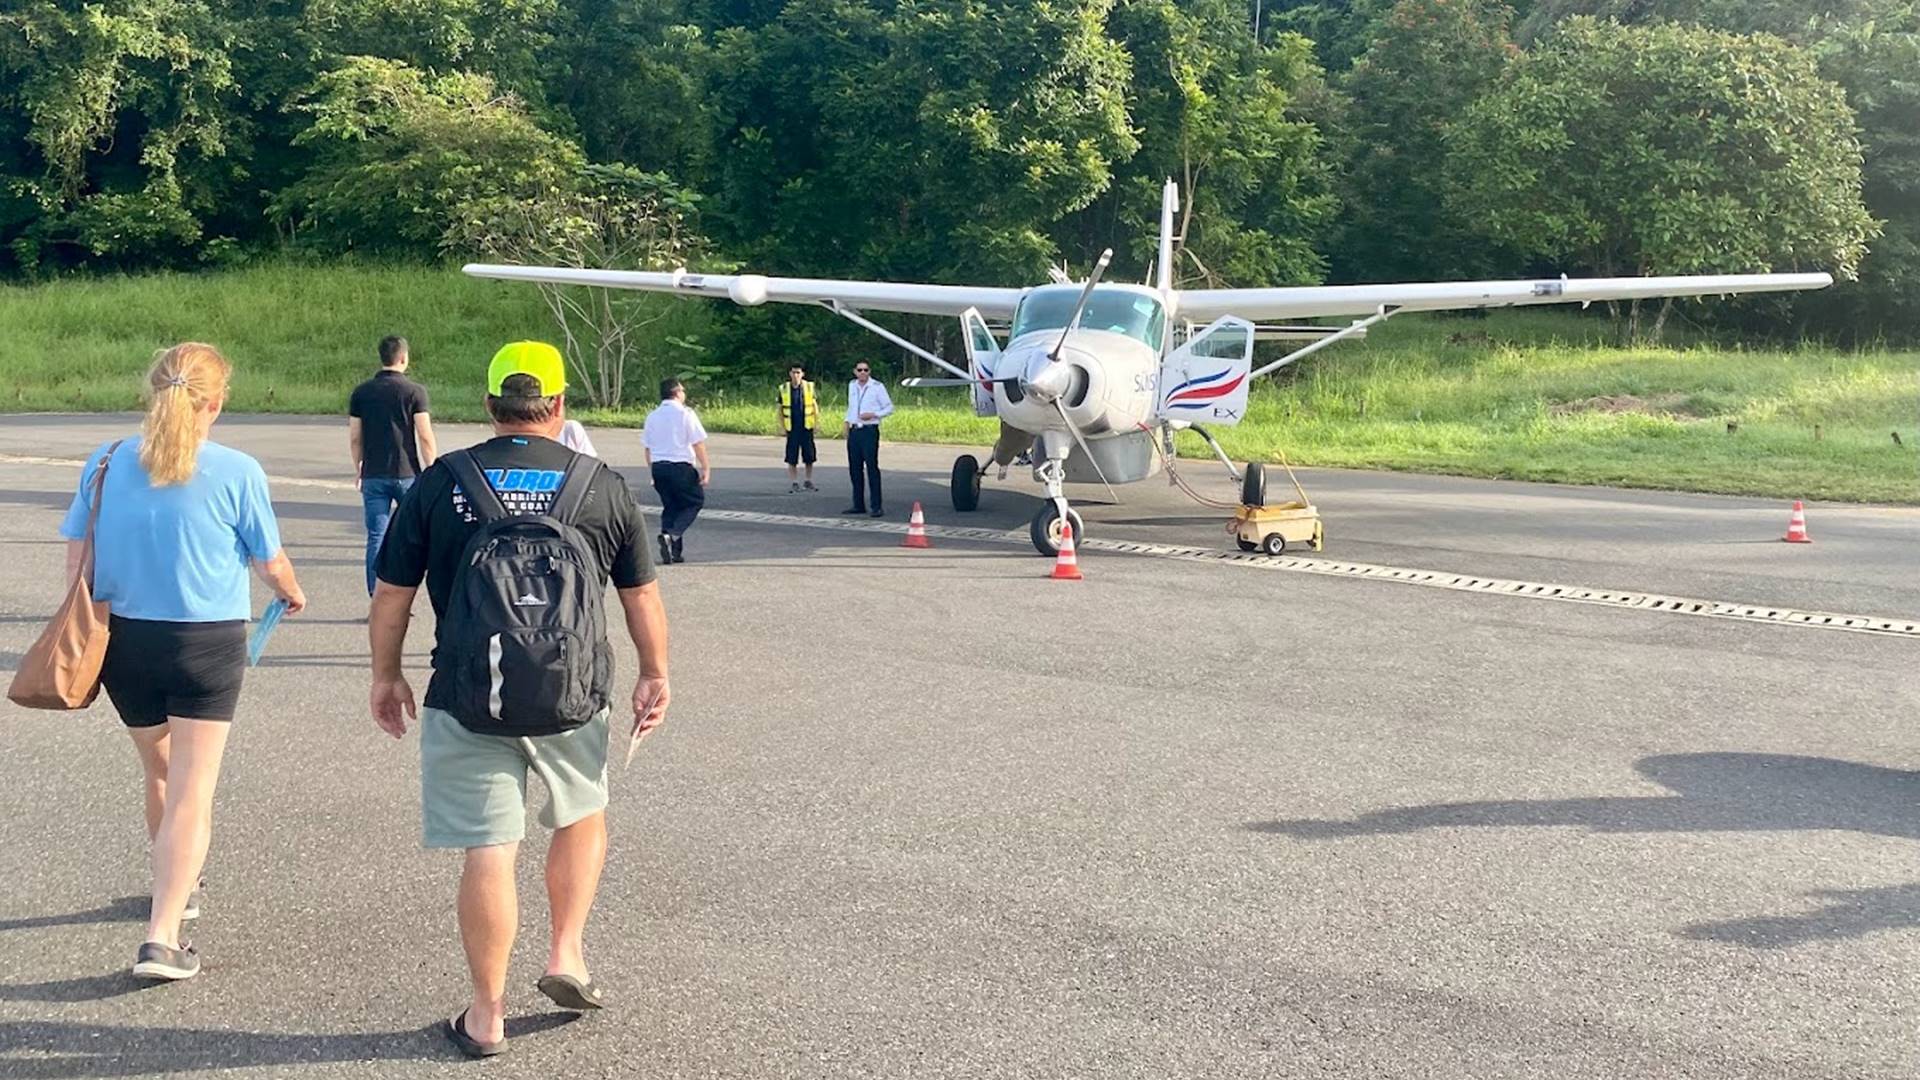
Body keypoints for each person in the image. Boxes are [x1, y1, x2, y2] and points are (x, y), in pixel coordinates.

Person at [368, 340, 670, 1058]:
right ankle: (566, 952)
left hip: (468, 691)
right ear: (560, 406)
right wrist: (654, 670)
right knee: (582, 815)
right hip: (574, 692)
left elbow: (392, 598)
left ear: (491, 407)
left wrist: (387, 675)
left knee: (489, 849)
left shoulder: (443, 483)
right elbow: (641, 595)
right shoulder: (600, 485)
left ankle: (486, 1013)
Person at [59, 343, 307, 982]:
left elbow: (78, 567)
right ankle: (162, 935)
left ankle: (180, 888)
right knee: (194, 788)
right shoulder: (238, 469)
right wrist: (289, 589)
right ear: (216, 402)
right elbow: (267, 558)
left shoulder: (107, 461)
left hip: (125, 643)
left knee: (160, 770)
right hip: (206, 643)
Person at [349, 335, 436, 594]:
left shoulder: (362, 392)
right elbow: (424, 435)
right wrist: (431, 468)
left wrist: (359, 469)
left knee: (376, 536)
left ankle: (377, 598)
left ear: (382, 358)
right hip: (408, 474)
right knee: (417, 537)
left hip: (374, 475)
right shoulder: (415, 392)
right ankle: (409, 595)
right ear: (404, 358)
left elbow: (355, 437)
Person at [641, 378, 710, 565]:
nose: (684, 393)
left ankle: (674, 551)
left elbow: (647, 448)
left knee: (671, 506)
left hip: (659, 467)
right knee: (693, 502)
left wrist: (652, 472)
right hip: (680, 466)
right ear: (676, 392)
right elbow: (698, 443)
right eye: (683, 390)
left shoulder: (652, 416)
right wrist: (705, 468)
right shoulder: (685, 414)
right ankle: (672, 535)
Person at [843, 361, 893, 517]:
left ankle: (876, 506)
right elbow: (851, 406)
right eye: (860, 370)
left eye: (866, 370)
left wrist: (874, 414)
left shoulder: (877, 387)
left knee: (871, 467)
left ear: (869, 371)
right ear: (855, 372)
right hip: (854, 430)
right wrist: (847, 422)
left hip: (869, 430)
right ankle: (858, 504)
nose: (863, 372)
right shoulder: (852, 385)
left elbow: (889, 407)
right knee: (854, 468)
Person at [777, 363, 819, 493]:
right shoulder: (784, 388)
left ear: (803, 374)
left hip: (806, 426)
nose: (796, 375)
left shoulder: (809, 387)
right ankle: (794, 482)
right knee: (792, 457)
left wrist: (816, 424)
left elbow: (814, 406)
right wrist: (782, 426)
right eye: (793, 372)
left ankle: (808, 480)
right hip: (792, 427)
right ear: (790, 374)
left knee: (809, 456)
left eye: (798, 372)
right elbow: (779, 409)